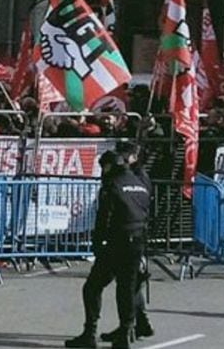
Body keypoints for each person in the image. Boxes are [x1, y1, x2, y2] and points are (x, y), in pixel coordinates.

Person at [66, 142, 153, 349]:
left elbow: (104, 217)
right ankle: (126, 330)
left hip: (118, 241)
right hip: (138, 240)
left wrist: (97, 244)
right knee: (127, 287)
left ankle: (90, 332)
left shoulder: (112, 185)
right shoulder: (140, 182)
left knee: (92, 287)